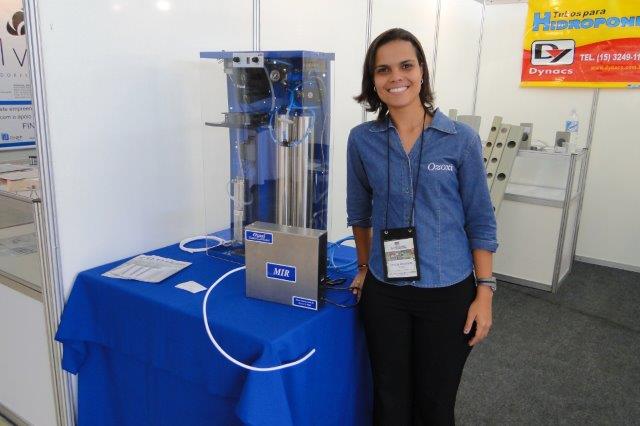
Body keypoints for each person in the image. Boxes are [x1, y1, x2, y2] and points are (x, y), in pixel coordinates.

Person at [346, 28, 498, 426]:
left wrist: (485, 293)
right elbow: (359, 213)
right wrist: (363, 267)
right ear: (373, 80)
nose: (396, 77)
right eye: (383, 70)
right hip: (386, 293)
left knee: (435, 404)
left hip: (447, 292)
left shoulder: (460, 139)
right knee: (389, 400)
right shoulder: (362, 140)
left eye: (406, 66)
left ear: (422, 72)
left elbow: (481, 220)